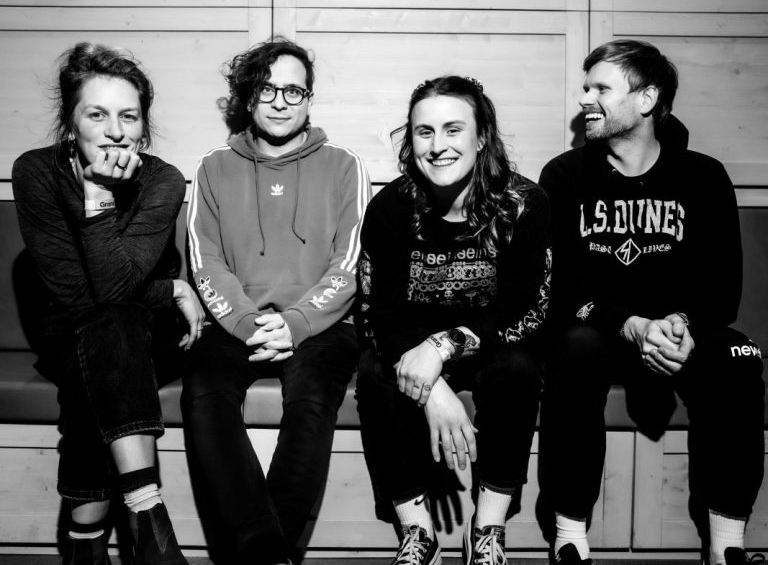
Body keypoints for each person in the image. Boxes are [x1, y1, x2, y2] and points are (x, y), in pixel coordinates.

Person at [537, 39, 765, 565]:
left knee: (739, 357)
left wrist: (681, 322)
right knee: (574, 351)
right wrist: (632, 324)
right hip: (601, 331)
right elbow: (563, 289)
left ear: (647, 99)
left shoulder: (703, 176)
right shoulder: (565, 176)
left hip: (680, 332)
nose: (584, 99)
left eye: (600, 88)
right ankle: (569, 536)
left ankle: (727, 545)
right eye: (585, 87)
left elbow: (724, 287)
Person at [11, 43, 203, 565]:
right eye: (97, 114)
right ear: (70, 123)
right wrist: (170, 288)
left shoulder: (163, 179)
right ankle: (148, 514)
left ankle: (85, 544)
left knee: (111, 328)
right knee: (98, 339)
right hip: (66, 330)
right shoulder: (36, 172)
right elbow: (76, 296)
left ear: (143, 126)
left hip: (148, 336)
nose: (116, 131)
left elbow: (115, 293)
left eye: (129, 116)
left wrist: (98, 197)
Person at [181, 37, 371, 565]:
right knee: (203, 388)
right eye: (267, 89)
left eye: (294, 90)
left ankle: (264, 552)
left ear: (309, 98)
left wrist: (297, 322)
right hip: (234, 322)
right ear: (248, 96)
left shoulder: (345, 165)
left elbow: (350, 263)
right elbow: (205, 262)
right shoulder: (213, 166)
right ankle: (264, 547)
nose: (281, 102)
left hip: (321, 325)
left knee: (312, 397)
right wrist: (248, 324)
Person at [356, 76, 551, 565]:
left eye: (453, 129)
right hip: (412, 349)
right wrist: (432, 388)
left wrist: (442, 347)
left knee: (519, 369)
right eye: (424, 132)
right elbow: (379, 316)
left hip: (491, 346)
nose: (438, 145)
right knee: (375, 374)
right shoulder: (391, 208)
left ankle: (486, 529)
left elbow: (528, 308)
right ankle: (418, 533)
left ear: (481, 137)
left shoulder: (524, 204)